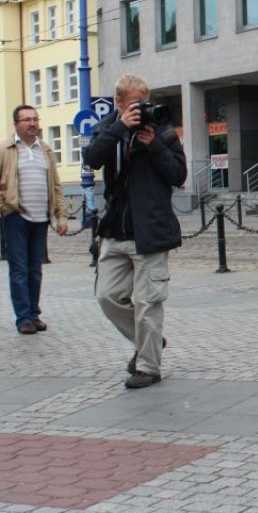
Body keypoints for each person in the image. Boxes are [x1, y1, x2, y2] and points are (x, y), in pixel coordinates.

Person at [84, 74, 187, 389]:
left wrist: (154, 145)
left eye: (144, 103)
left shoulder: (162, 133)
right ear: (118, 103)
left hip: (151, 231)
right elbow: (92, 158)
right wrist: (120, 128)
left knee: (147, 303)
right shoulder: (107, 130)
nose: (141, 110)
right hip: (116, 230)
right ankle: (151, 341)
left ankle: (148, 367)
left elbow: (178, 175)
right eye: (134, 105)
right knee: (106, 296)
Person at [0, 105, 68, 335]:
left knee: (36, 269)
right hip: (16, 216)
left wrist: (61, 216)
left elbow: (56, 186)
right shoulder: (3, 149)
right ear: (16, 124)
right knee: (19, 269)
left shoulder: (46, 150)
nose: (32, 123)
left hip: (41, 217)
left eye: (35, 119)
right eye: (26, 120)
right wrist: (3, 207)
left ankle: (34, 312)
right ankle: (23, 318)